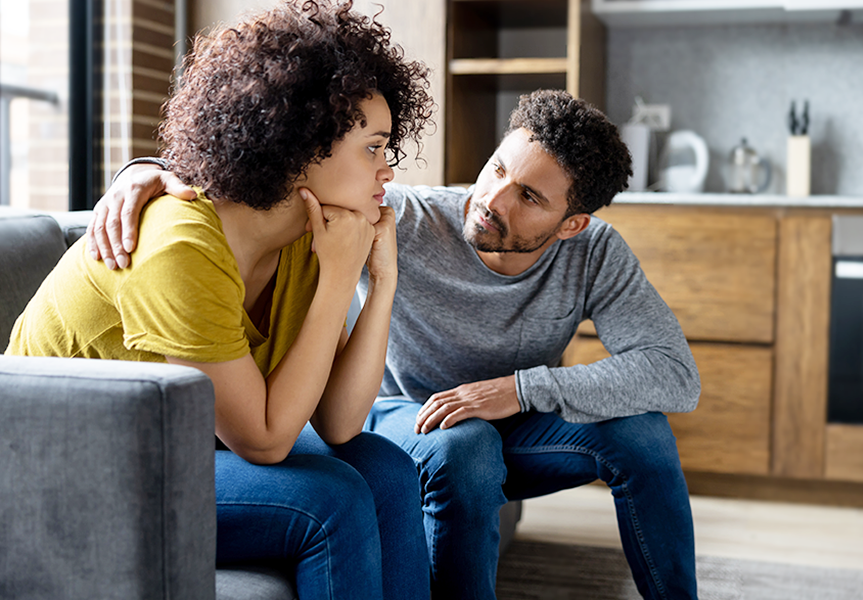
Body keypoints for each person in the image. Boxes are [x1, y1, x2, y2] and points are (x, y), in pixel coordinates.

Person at [88, 90, 702, 599]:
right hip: (407, 418)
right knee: (465, 446)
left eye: (530, 197)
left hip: (515, 419)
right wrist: (142, 171)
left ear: (572, 226)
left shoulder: (596, 254)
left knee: (643, 433)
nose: (492, 199)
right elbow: (256, 179)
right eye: (498, 170)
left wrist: (519, 390)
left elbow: (675, 375)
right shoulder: (407, 218)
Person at [5, 1, 434, 599]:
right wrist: (337, 279)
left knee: (387, 470)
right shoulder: (179, 242)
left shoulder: (305, 242)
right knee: (327, 501)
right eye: (373, 147)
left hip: (172, 444)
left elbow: (340, 423)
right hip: (62, 468)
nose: (387, 170)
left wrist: (378, 282)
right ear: (300, 145)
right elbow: (264, 439)